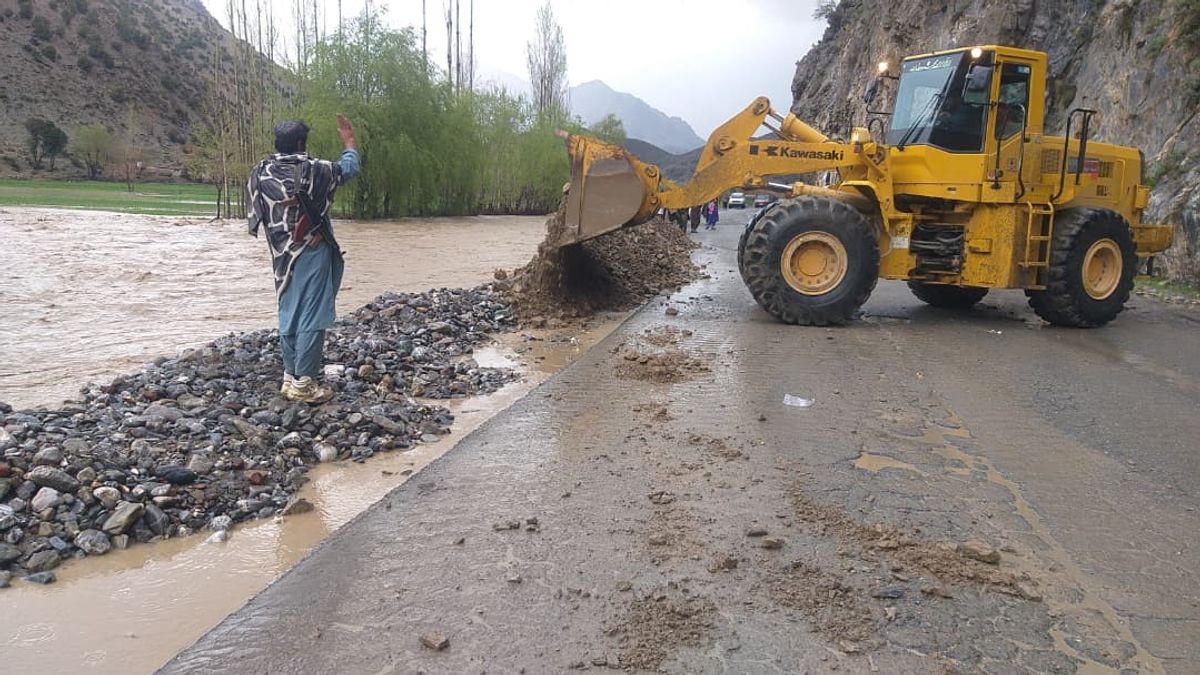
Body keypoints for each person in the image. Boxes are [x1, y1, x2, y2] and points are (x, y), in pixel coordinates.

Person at [247, 114, 361, 403]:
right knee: (312, 314)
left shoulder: (260, 170)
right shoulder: (315, 169)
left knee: (288, 311)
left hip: (281, 255)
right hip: (311, 247)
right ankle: (305, 384)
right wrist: (349, 142)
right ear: (301, 142)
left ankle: (289, 377)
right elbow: (349, 168)